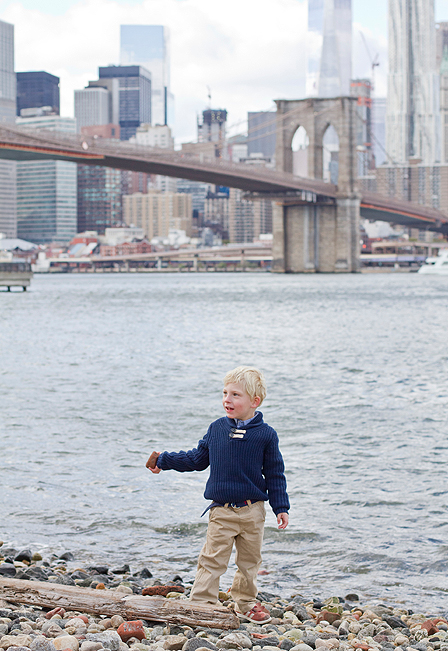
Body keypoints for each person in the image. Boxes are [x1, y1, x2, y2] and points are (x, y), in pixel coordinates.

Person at [147, 366, 289, 624]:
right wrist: (164, 460)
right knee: (212, 559)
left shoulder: (266, 435)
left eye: (235, 394)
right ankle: (202, 602)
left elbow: (275, 473)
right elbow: (196, 459)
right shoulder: (217, 429)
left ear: (254, 401)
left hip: (252, 510)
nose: (227, 399)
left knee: (250, 561)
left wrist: (281, 507)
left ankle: (245, 603)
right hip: (221, 510)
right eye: (225, 393)